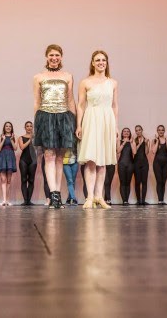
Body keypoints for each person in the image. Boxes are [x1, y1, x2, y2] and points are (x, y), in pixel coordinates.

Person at [33, 44, 77, 209]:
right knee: (49, 155)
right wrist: (37, 123)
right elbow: (37, 102)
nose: (54, 58)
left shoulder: (68, 76)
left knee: (59, 157)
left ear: (61, 57)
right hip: (46, 116)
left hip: (64, 117)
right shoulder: (38, 77)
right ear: (47, 57)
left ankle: (57, 193)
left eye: (57, 55)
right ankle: (53, 195)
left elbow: (70, 100)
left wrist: (75, 123)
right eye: (51, 55)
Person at [77, 50, 118, 210]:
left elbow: (114, 105)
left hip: (107, 120)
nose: (101, 62)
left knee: (103, 161)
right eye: (98, 60)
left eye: (103, 60)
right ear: (93, 63)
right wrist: (79, 125)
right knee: (91, 160)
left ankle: (99, 197)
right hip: (91, 119)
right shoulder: (85, 82)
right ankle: (89, 197)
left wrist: (115, 126)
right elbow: (81, 105)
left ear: (106, 63)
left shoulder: (113, 83)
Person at [0, 122, 17, 206]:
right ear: (4, 127)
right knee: (3, 179)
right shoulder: (0, 137)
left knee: (8, 180)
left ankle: (7, 200)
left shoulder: (14, 137)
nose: (8, 127)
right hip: (2, 157)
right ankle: (4, 200)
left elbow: (15, 148)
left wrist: (11, 139)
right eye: (6, 126)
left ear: (11, 128)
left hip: (10, 157)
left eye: (9, 126)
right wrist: (3, 139)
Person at [18, 121, 37, 205]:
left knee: (31, 180)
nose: (29, 128)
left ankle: (29, 200)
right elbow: (22, 147)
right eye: (27, 126)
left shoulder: (36, 138)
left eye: (30, 126)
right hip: (23, 160)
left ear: (32, 127)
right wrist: (30, 139)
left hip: (33, 160)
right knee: (24, 180)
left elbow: (38, 148)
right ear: (25, 128)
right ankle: (25, 200)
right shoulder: (21, 137)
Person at [117, 128, 135, 205]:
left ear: (130, 133)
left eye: (128, 131)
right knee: (122, 182)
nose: (126, 133)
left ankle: (126, 200)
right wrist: (124, 142)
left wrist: (131, 142)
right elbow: (118, 151)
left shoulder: (132, 142)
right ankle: (124, 200)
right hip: (121, 164)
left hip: (130, 164)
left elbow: (135, 152)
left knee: (128, 183)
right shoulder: (119, 141)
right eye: (124, 131)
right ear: (122, 133)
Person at [133, 125, 150, 205]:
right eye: (136, 130)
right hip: (136, 163)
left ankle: (143, 200)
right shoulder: (134, 140)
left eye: (139, 130)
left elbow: (146, 152)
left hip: (144, 163)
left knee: (144, 182)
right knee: (137, 182)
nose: (138, 131)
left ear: (142, 130)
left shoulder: (146, 140)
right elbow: (134, 152)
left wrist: (146, 144)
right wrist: (139, 143)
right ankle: (138, 200)